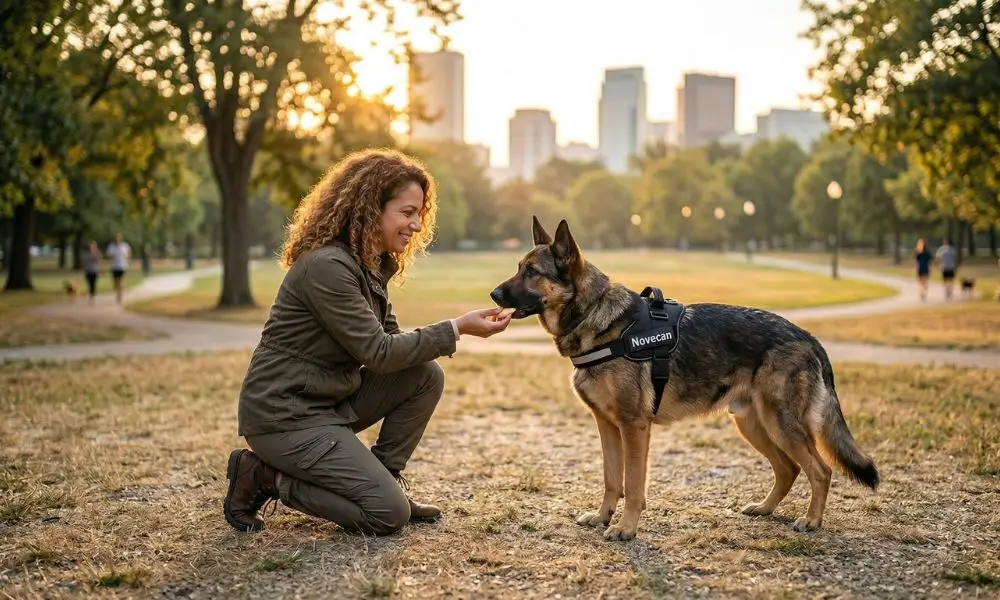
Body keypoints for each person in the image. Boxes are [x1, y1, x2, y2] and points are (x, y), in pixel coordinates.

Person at [223, 148, 512, 537]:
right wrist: (456, 328)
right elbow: (378, 353)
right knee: (387, 515)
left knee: (425, 374)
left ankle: (386, 479)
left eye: (419, 215)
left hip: (326, 404)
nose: (415, 225)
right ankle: (263, 476)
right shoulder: (327, 267)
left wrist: (453, 329)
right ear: (369, 208)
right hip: (285, 416)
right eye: (406, 212)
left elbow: (394, 345)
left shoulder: (367, 267)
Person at [104, 233, 131, 304]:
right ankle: (118, 291)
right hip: (114, 266)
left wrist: (128, 262)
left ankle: (120, 294)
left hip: (122, 266)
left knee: (120, 281)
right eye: (116, 238)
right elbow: (109, 255)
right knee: (115, 282)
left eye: (119, 238)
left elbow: (128, 254)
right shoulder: (111, 247)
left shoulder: (125, 246)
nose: (117, 240)